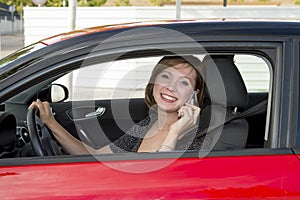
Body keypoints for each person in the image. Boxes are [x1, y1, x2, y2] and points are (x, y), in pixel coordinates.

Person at [29, 55, 206, 155]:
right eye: (166, 76)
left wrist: (174, 133)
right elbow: (96, 157)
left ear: (194, 95)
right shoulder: (146, 125)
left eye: (184, 83)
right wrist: (51, 122)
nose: (170, 87)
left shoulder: (193, 139)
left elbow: (157, 182)